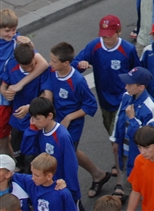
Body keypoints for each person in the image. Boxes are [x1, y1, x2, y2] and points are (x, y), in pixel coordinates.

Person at [45, 42, 110, 200]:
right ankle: (98, 175)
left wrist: (69, 117)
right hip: (56, 121)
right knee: (71, 152)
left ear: (65, 63)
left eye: (54, 61)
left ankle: (68, 193)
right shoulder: (52, 71)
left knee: (64, 156)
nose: (50, 63)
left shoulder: (77, 81)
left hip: (71, 125)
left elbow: (90, 105)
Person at [72, 14, 140, 135]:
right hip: (104, 100)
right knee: (110, 130)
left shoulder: (128, 49)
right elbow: (74, 64)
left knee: (116, 134)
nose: (105, 37)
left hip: (122, 99)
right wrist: (80, 64)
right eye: (103, 34)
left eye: (109, 34)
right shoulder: (94, 46)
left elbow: (137, 72)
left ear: (118, 32)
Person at [0, 9, 49, 157]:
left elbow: (43, 64)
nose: (11, 34)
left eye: (14, 30)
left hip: (6, 98)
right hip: (4, 89)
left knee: (4, 138)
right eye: (7, 31)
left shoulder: (18, 42)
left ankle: (10, 165)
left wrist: (19, 84)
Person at [0, 43, 51, 170]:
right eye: (25, 67)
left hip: (35, 122)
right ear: (17, 62)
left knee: (33, 159)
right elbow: (4, 85)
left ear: (34, 57)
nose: (29, 69)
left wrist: (29, 108)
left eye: (32, 65)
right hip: (17, 120)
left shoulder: (43, 71)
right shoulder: (11, 65)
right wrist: (5, 93)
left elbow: (47, 96)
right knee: (19, 156)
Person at [109, 67, 154, 201]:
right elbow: (118, 118)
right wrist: (115, 140)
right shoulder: (126, 96)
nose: (126, 87)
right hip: (125, 150)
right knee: (129, 182)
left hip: (140, 155)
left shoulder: (150, 106)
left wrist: (132, 119)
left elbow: (149, 136)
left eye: (129, 84)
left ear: (141, 87)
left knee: (143, 188)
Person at [24, 97, 81, 206]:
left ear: (49, 116)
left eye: (37, 118)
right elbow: (27, 150)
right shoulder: (39, 130)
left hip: (62, 187)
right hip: (47, 185)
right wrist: (31, 130)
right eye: (32, 118)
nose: (34, 122)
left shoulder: (62, 136)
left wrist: (72, 191)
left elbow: (70, 165)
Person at [11, 153, 75, 211]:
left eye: (37, 175)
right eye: (32, 173)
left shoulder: (63, 193)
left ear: (49, 176)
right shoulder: (31, 182)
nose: (33, 178)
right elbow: (10, 174)